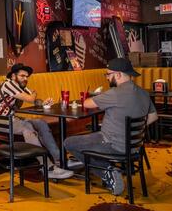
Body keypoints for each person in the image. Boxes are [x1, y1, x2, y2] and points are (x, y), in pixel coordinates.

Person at [64, 58, 158, 195]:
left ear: (118, 75)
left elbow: (87, 104)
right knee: (91, 138)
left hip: (111, 144)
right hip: (134, 146)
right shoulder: (143, 93)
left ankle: (108, 171)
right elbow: (154, 116)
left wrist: (98, 96)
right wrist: (130, 130)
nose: (107, 78)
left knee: (69, 143)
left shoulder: (115, 93)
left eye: (108, 74)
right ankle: (89, 163)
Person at [0, 63, 74, 179]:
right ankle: (48, 167)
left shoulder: (20, 87)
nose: (25, 79)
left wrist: (43, 103)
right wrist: (34, 94)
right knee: (26, 128)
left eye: (27, 76)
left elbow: (34, 100)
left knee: (41, 123)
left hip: (10, 119)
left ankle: (60, 160)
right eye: (22, 76)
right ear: (13, 76)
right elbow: (31, 98)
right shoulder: (8, 84)